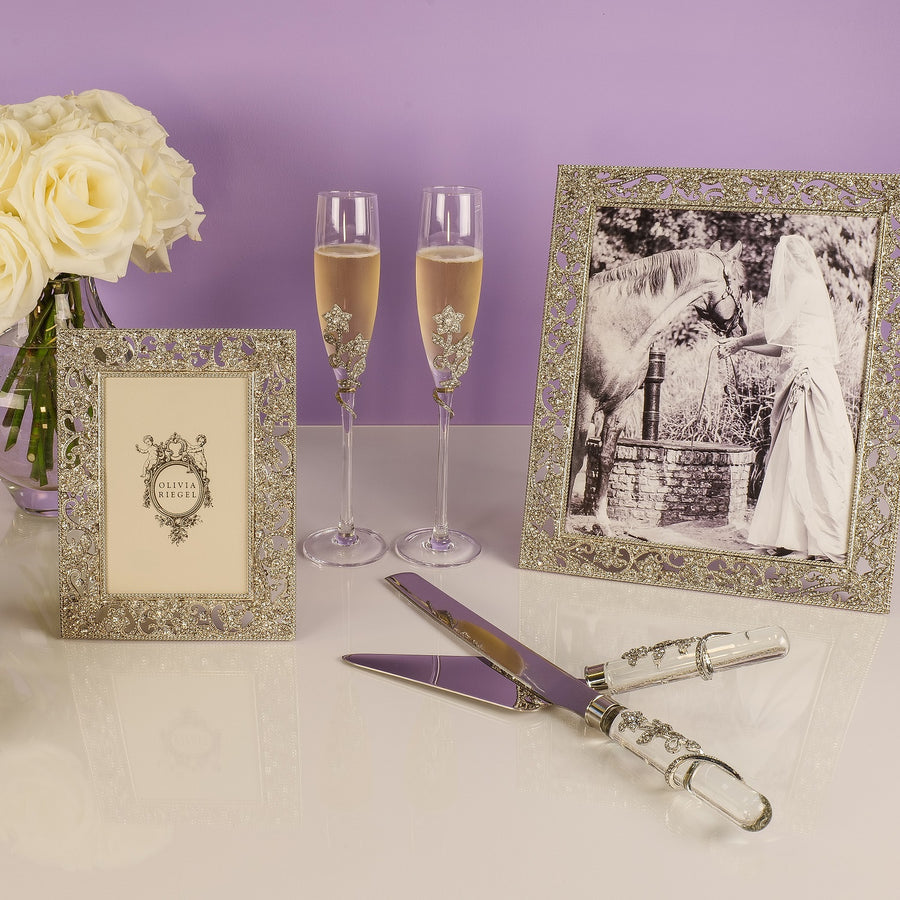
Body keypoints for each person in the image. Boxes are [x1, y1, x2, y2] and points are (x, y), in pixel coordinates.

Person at [718, 234, 854, 562]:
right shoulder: (809, 288)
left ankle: (811, 540)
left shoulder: (803, 285)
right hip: (799, 373)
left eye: (783, 261)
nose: (781, 269)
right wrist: (741, 347)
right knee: (791, 455)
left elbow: (776, 329)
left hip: (807, 381)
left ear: (791, 261)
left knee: (806, 452)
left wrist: (739, 341)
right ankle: (788, 535)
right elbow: (782, 345)